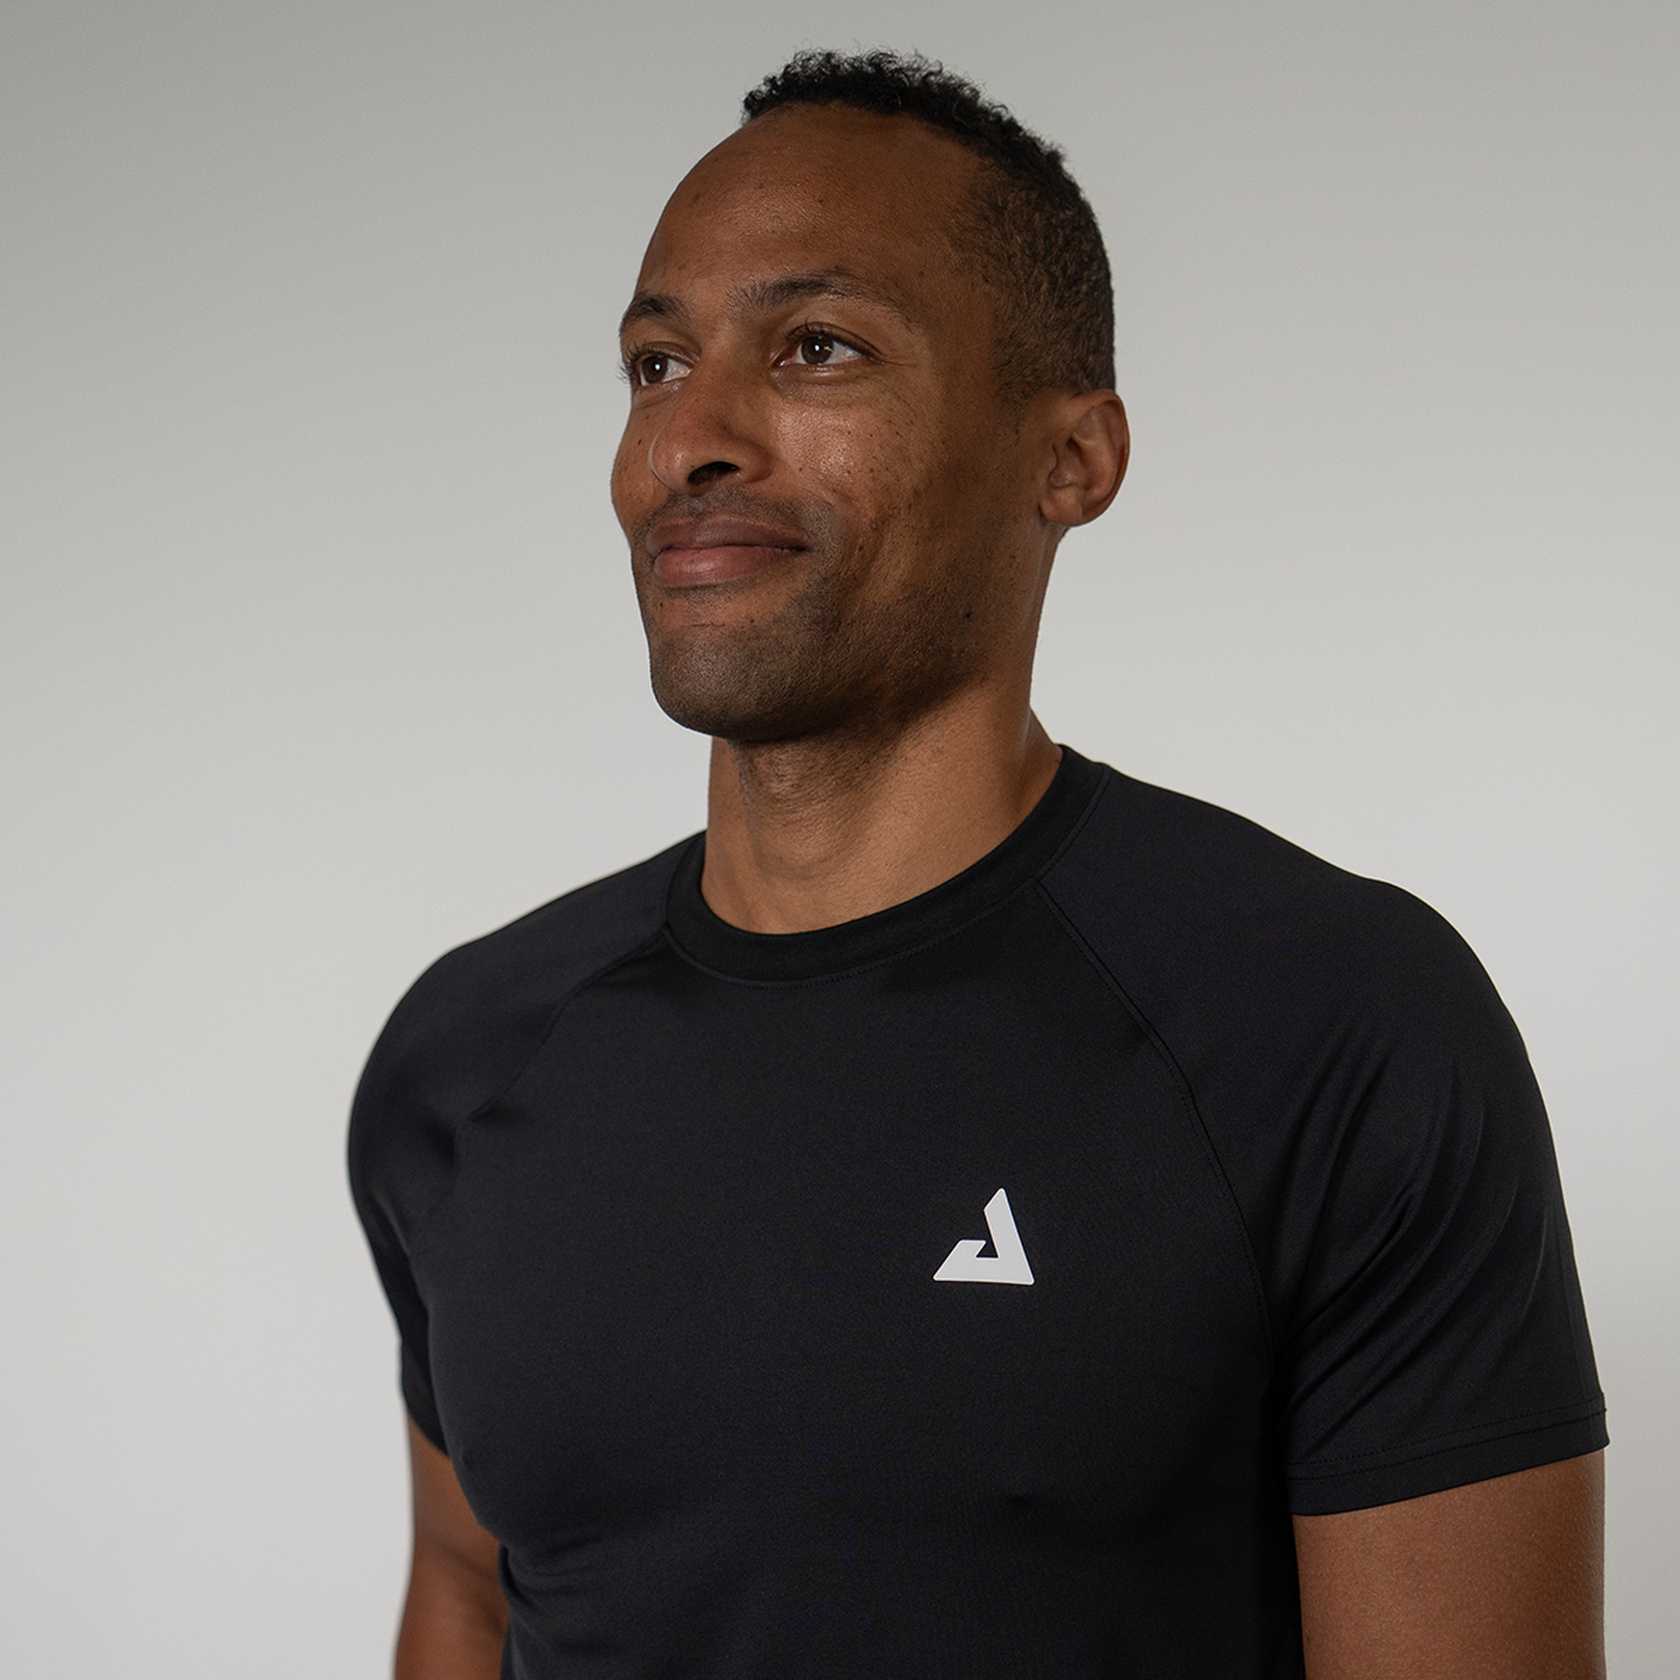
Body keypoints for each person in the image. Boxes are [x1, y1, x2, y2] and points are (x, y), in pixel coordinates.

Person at [346, 45, 1608, 1680]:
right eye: (656, 365)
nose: (689, 442)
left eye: (814, 347)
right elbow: (467, 1586)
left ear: (1068, 460)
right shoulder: (466, 1056)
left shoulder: (1329, 1025)